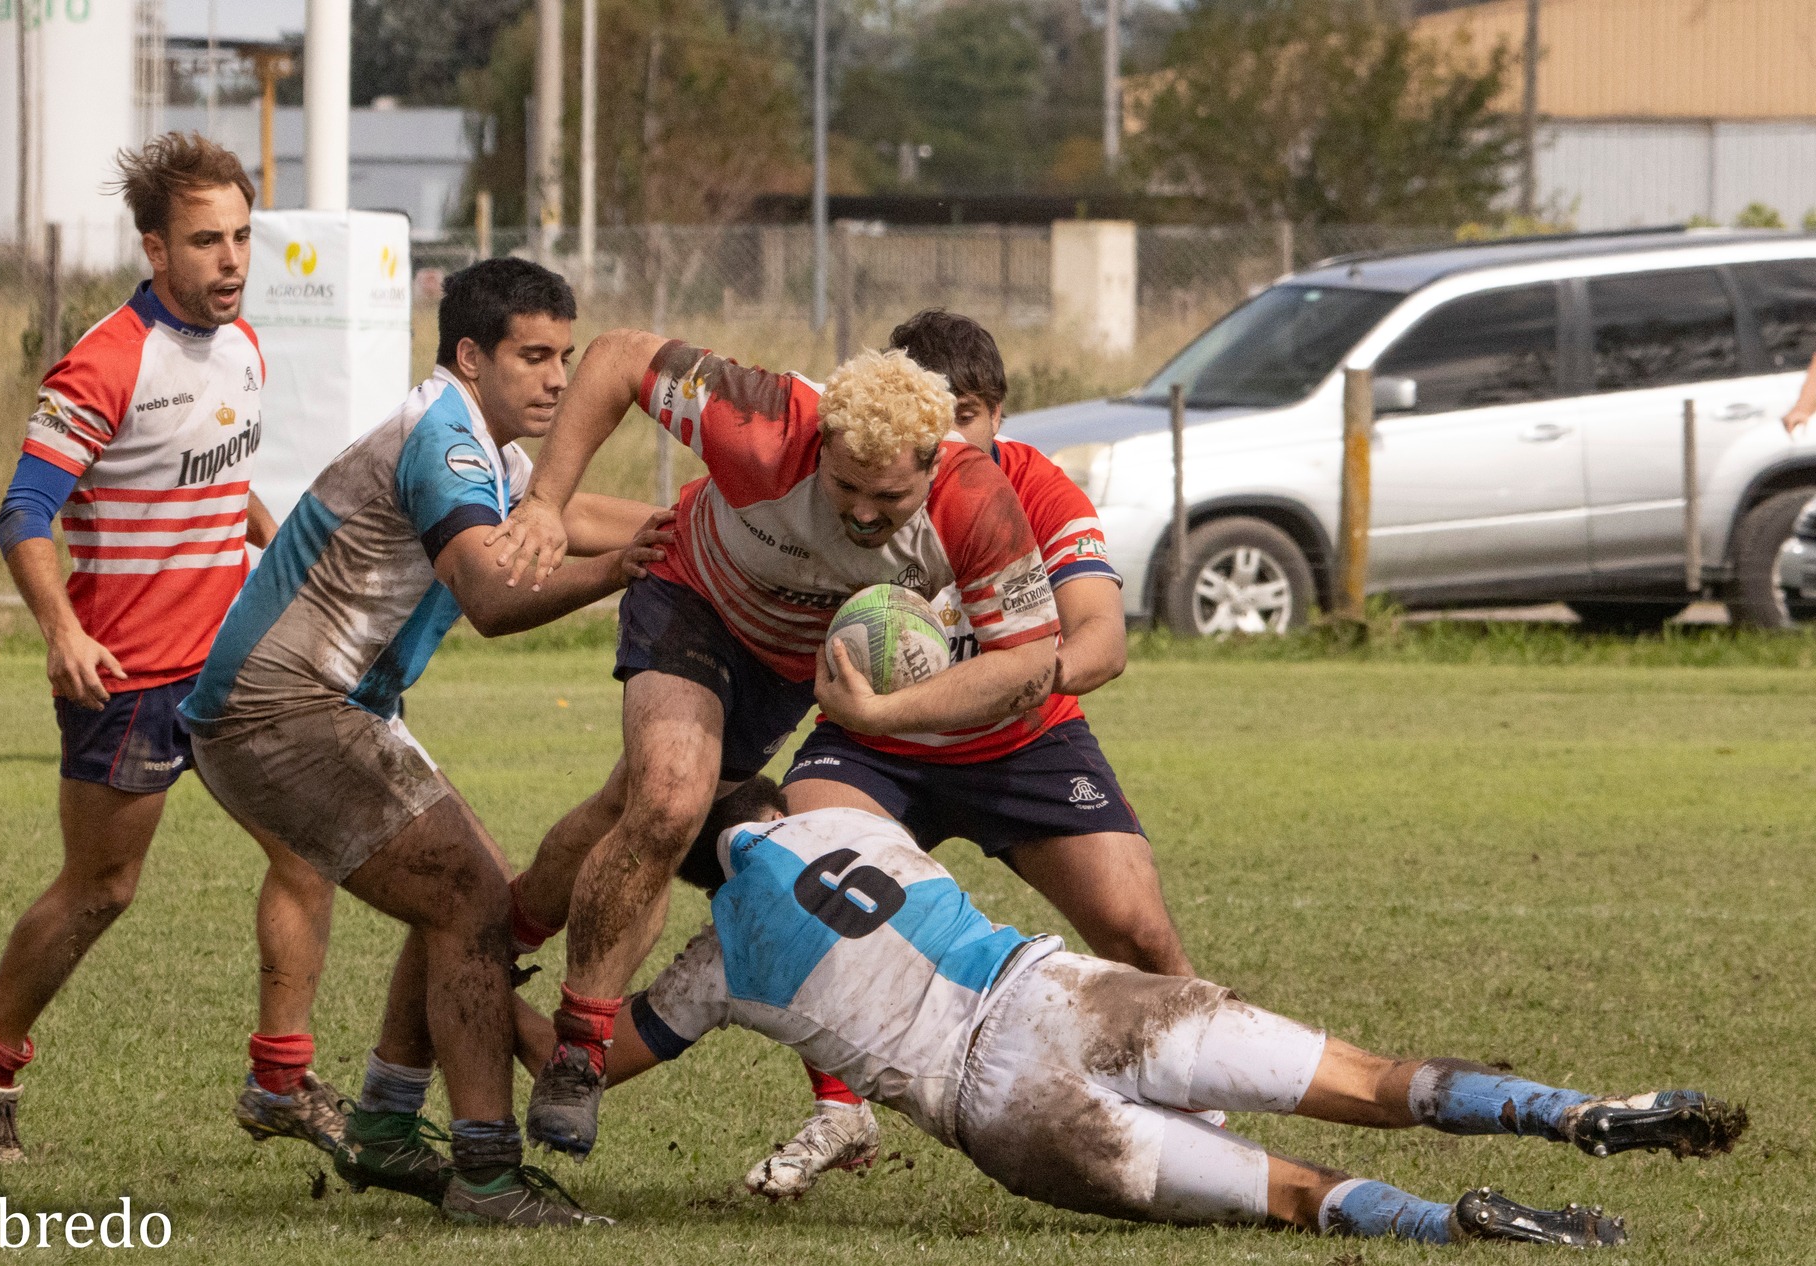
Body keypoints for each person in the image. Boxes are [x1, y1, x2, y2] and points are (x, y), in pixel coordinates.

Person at [596, 780, 1746, 1247]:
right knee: (1369, 1077)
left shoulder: (716, 963)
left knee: (1292, 1196)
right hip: (1068, 995)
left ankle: (1451, 1232)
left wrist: (532, 986)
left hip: (1001, 1110)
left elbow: (596, 1059)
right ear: (774, 801)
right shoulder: (849, 813)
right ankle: (1577, 1114)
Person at [486, 336, 1065, 1158]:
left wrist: (883, 716)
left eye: (890, 496)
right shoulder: (762, 418)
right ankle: (578, 1051)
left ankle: (500, 928)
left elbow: (1032, 659)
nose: (865, 513)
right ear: (819, 443)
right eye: (847, 487)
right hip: (692, 597)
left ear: (936, 462)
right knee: (671, 799)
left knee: (631, 811)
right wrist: (546, 499)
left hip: (790, 665)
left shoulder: (976, 500)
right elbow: (616, 359)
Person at [180, 258, 666, 1227]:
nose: (558, 379)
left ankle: (389, 1125)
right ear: (471, 355)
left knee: (475, 889)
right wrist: (626, 568)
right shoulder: (442, 440)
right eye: (534, 356)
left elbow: (564, 519)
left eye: (566, 356)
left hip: (327, 706)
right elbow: (490, 595)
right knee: (472, 900)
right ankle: (484, 1174)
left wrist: (695, 524)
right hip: (280, 709)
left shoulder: (482, 444)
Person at [0, 133, 341, 1164]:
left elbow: (210, 479)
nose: (232, 261)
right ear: (154, 248)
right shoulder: (105, 360)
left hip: (233, 666)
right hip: (125, 674)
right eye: (206, 242)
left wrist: (283, 541)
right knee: (103, 890)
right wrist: (62, 630)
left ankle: (280, 1079)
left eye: (243, 237)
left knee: (308, 851)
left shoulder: (243, 348)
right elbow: (24, 511)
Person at [748, 308, 1197, 1198]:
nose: (948, 441)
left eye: (967, 417)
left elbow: (1101, 643)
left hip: (1023, 743)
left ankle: (1199, 1088)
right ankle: (842, 1107)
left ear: (997, 416)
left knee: (1136, 926)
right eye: (930, 421)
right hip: (875, 747)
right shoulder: (857, 488)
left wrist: (1013, 679)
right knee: (800, 877)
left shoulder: (1037, 489)